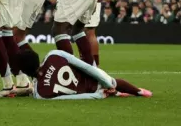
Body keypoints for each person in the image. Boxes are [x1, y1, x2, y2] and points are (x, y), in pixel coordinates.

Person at [14, 49, 151, 100]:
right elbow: (84, 66)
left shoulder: (40, 94)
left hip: (91, 92)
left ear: (25, 72)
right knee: (114, 82)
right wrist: (106, 82)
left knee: (110, 89)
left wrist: (96, 96)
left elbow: (69, 99)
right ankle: (138, 91)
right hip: (95, 81)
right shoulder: (54, 55)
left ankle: (116, 92)